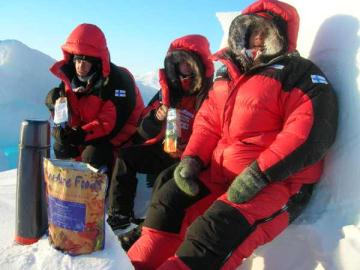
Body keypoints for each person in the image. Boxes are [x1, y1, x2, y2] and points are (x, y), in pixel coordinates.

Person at [128, 0, 338, 269]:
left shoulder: (299, 74)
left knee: (213, 231)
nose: (258, 38)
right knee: (169, 202)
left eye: (266, 32)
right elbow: (207, 123)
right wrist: (192, 159)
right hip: (223, 174)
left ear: (282, 36)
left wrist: (260, 174)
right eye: (252, 31)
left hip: (277, 182)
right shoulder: (228, 75)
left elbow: (309, 132)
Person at [106, 34, 214, 239]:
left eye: (188, 63)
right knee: (126, 157)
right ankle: (120, 217)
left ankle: (151, 230)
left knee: (164, 181)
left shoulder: (210, 95)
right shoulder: (167, 93)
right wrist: (156, 117)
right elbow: (143, 130)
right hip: (166, 148)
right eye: (180, 64)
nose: (184, 68)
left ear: (200, 65)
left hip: (193, 158)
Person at [45, 23, 144, 173]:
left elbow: (109, 124)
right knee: (61, 146)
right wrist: (53, 105)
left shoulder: (118, 82)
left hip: (122, 140)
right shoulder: (72, 81)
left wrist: (80, 134)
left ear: (97, 62)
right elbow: (69, 115)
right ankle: (68, 182)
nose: (80, 66)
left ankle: (97, 186)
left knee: (93, 155)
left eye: (86, 61)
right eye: (77, 60)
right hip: (90, 135)